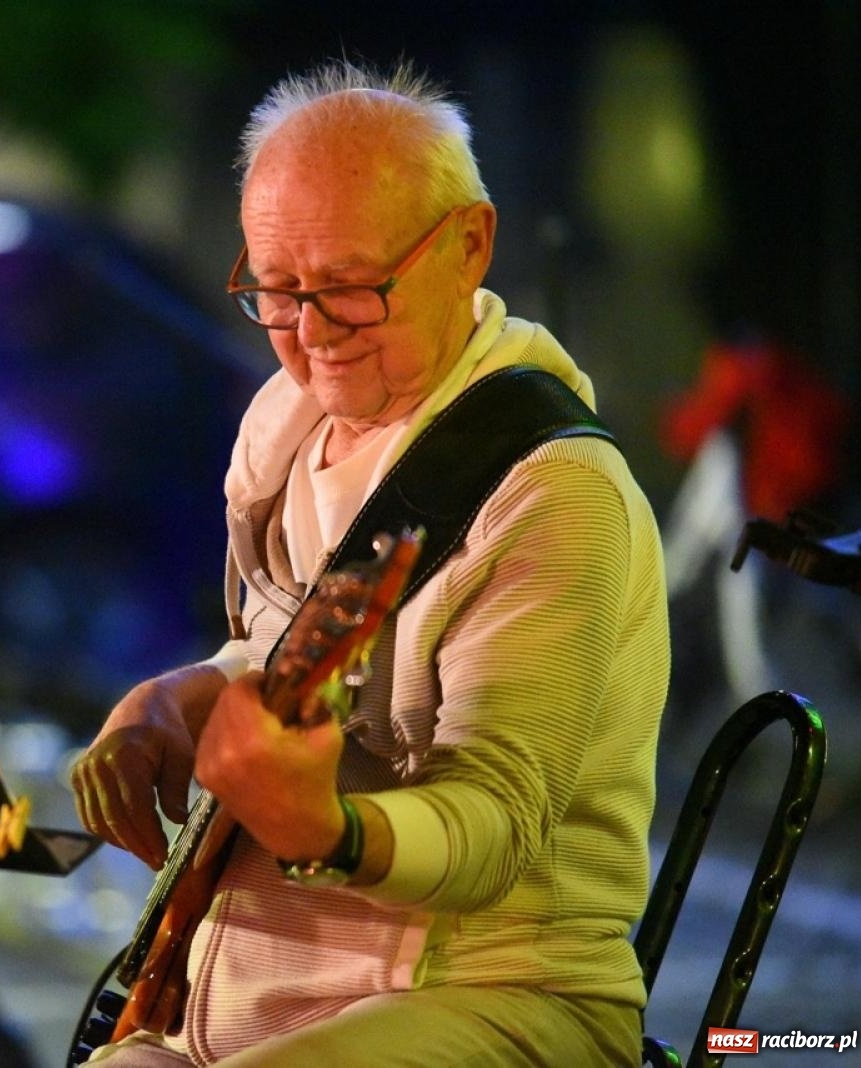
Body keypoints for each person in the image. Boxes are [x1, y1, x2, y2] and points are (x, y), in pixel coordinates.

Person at [71, 59, 669, 1067]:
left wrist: (327, 829)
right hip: (264, 994)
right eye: (276, 289)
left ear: (470, 244)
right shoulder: (290, 436)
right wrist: (177, 704)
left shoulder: (551, 491)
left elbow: (496, 823)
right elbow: (281, 657)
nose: (308, 333)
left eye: (349, 287)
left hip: (497, 994)